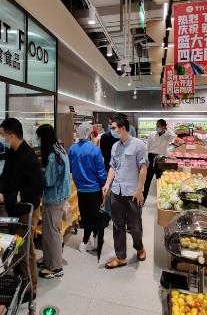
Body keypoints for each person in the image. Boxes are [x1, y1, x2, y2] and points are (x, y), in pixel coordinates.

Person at [0, 118, 44, 298]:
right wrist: (0, 193)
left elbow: (38, 186)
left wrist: (13, 196)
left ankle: (31, 289)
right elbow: (5, 176)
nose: (3, 138)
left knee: (26, 250)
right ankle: (20, 282)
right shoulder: (11, 152)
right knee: (16, 248)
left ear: (12, 135)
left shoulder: (29, 156)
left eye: (4, 135)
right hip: (13, 208)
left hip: (26, 210)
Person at [102, 115, 148, 269]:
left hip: (133, 193)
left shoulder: (139, 145)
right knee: (117, 226)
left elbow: (143, 168)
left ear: (122, 128)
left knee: (135, 226)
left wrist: (140, 190)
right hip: (117, 191)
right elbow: (113, 167)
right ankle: (120, 257)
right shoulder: (115, 146)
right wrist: (107, 184)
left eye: (113, 128)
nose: (111, 130)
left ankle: (139, 247)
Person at [35, 124, 70, 279]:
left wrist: (37, 175)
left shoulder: (52, 156)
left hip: (53, 197)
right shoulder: (60, 149)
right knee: (49, 231)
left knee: (52, 232)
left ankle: (56, 267)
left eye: (39, 138)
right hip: (59, 195)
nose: (38, 141)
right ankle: (48, 259)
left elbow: (49, 180)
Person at [68, 123, 107, 253]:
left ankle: (88, 240)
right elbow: (101, 171)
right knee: (95, 215)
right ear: (90, 134)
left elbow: (70, 169)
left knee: (85, 216)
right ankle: (89, 241)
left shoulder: (72, 149)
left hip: (80, 189)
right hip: (94, 189)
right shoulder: (95, 150)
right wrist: (104, 185)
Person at [144, 119, 176, 202]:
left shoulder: (167, 136)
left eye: (159, 126)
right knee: (147, 180)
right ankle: (143, 200)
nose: (157, 128)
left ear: (164, 127)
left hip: (161, 159)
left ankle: (162, 200)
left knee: (161, 180)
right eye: (156, 126)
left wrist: (167, 129)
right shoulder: (152, 134)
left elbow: (174, 136)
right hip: (151, 158)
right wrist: (146, 159)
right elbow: (147, 147)